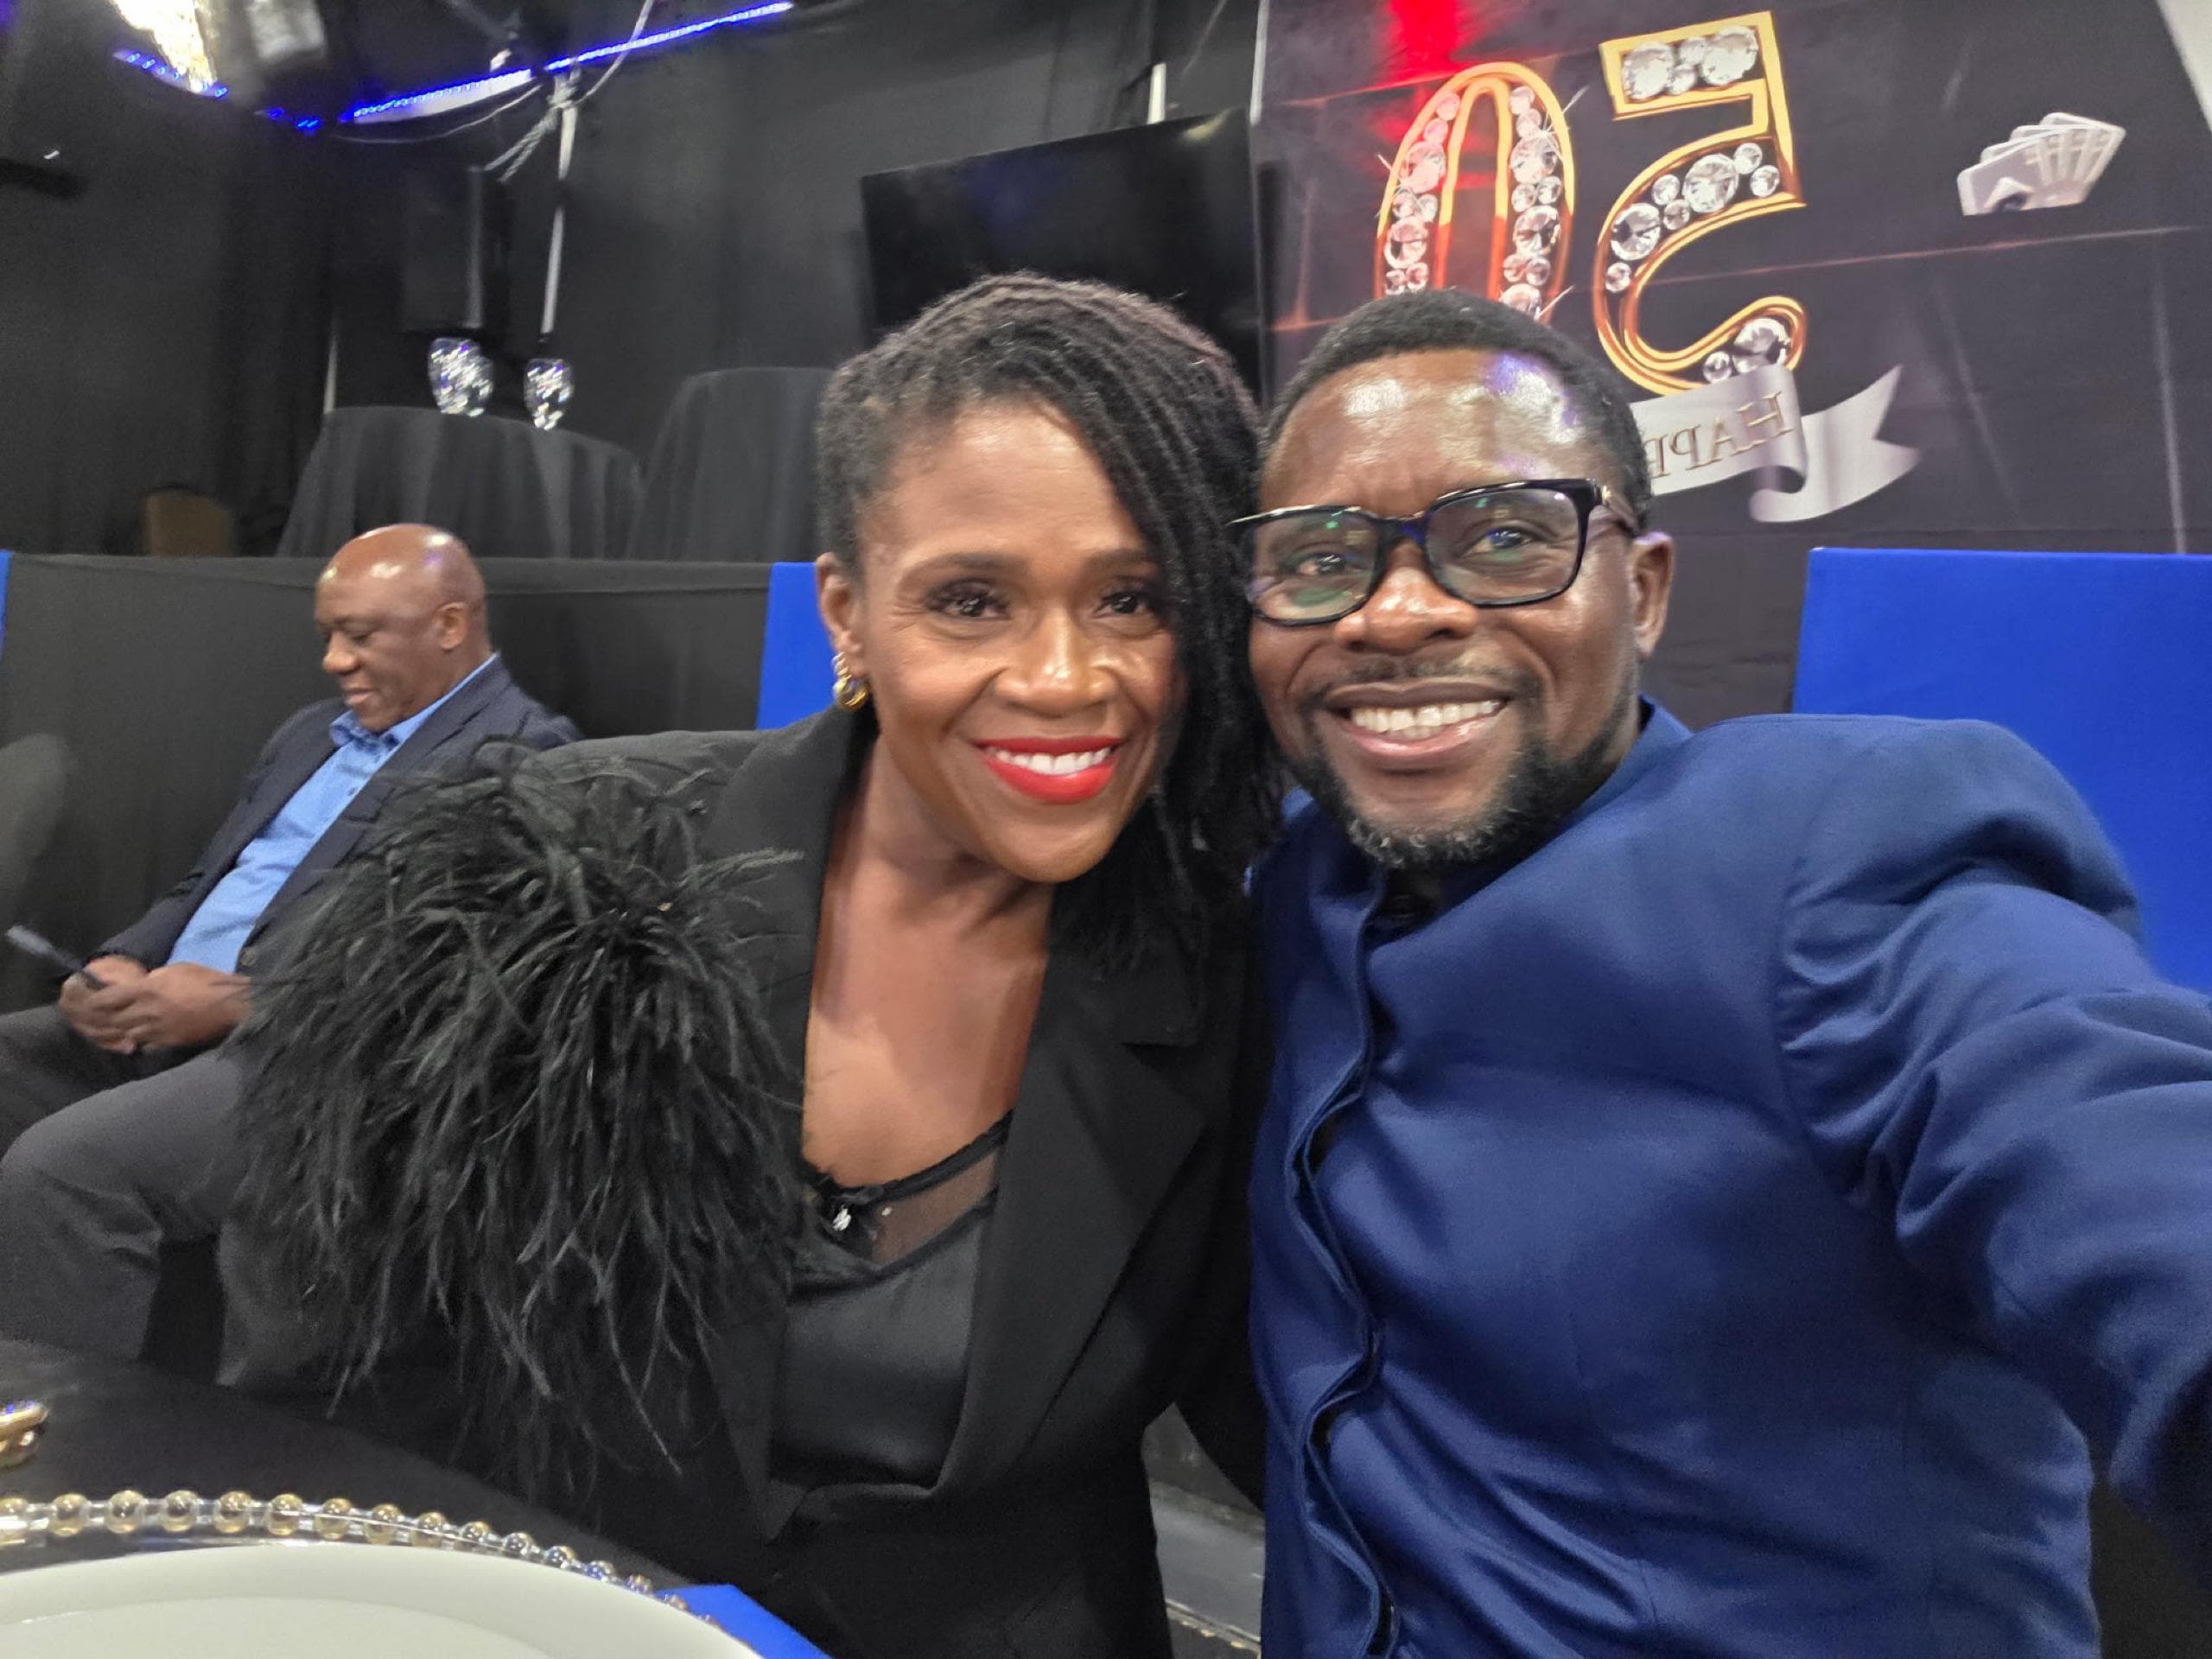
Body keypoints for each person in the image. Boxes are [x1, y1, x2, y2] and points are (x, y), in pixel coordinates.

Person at [223, 275, 1276, 1659]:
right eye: (971, 601)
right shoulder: (541, 875)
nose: (1066, 677)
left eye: (1133, 599)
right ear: (848, 613)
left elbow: (1312, 1429)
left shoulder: (1234, 989)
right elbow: (328, 1385)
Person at [1240, 289, 2212, 1658]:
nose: (1396, 612)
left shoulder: (1842, 862)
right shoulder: (1293, 886)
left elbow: (2104, 1133)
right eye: (1320, 558)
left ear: (1641, 589)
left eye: (1505, 538)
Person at [0, 524, 576, 1357]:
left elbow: (453, 980)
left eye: (360, 635)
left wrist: (242, 1002)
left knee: (65, 1172)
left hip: (306, 1060)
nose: (335, 660)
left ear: (450, 625)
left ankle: (58, 1431)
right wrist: (119, 960)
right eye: (329, 635)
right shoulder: (310, 733)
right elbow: (202, 885)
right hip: (164, 1023)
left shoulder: (522, 759)